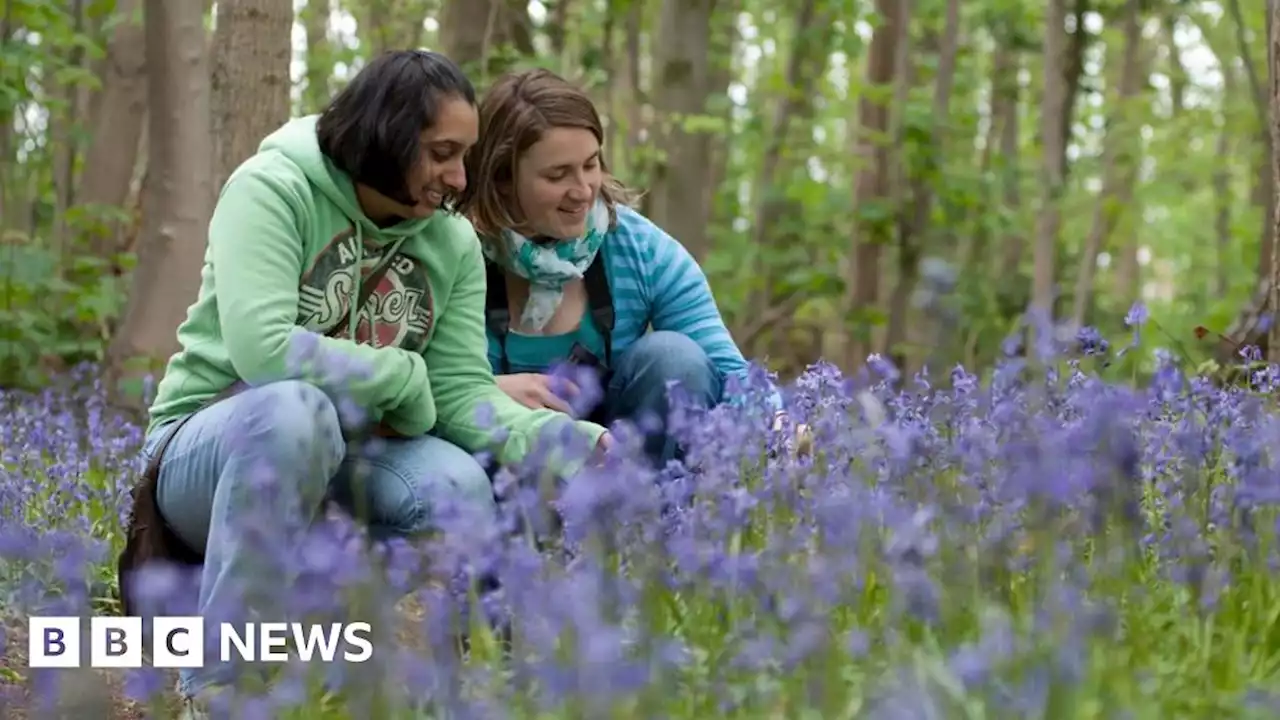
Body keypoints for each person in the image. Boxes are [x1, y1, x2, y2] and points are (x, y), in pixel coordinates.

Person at [132, 51, 608, 718]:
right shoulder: (274, 187)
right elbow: (263, 350)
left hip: (351, 460)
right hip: (210, 454)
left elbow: (460, 393)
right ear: (386, 134)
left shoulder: (449, 243)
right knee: (295, 412)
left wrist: (570, 442)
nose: (459, 177)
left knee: (460, 485)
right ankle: (219, 691)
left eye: (465, 155)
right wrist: (401, 376)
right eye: (442, 153)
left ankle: (416, 688)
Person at [455, 68, 796, 469]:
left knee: (676, 359)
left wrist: (779, 426)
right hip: (497, 456)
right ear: (502, 180)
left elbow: (727, 371)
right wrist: (487, 392)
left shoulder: (637, 248)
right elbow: (420, 386)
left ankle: (650, 521)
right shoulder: (457, 250)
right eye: (557, 174)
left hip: (619, 461)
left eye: (590, 164)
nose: (583, 190)